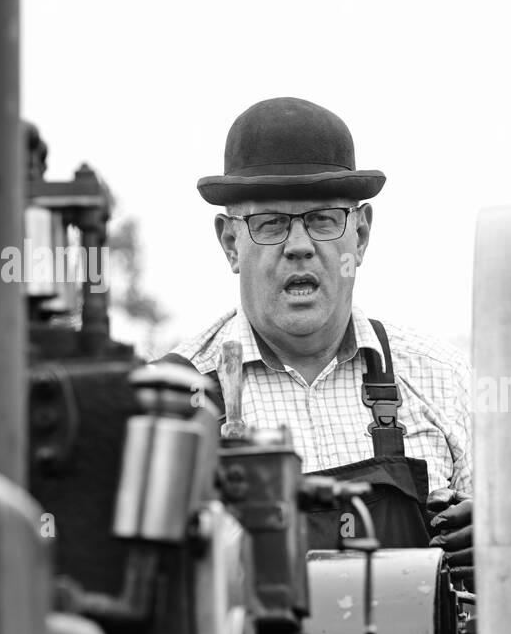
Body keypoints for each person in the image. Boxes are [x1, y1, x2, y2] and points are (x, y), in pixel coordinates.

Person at [165, 97, 473, 587]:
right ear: (229, 243)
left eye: (324, 219)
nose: (299, 245)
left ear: (362, 235)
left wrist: (497, 551)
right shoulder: (176, 403)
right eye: (270, 223)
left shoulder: (441, 379)